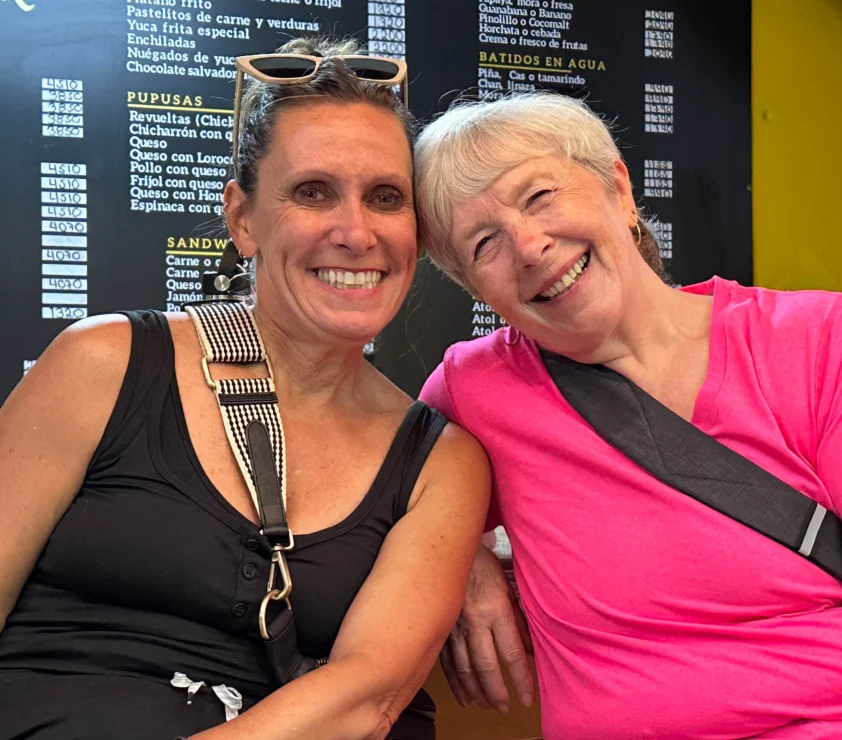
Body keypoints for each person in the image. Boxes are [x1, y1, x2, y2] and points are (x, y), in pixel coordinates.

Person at [0, 37, 490, 740]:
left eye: (386, 197)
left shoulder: (440, 460)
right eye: (312, 191)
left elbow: (367, 697)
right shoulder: (103, 364)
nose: (355, 231)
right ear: (242, 219)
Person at [413, 91, 842, 739]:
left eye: (539, 196)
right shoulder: (475, 388)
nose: (528, 246)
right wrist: (459, 557)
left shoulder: (817, 339)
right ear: (477, 291)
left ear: (618, 189)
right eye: (483, 244)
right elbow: (378, 475)